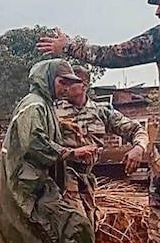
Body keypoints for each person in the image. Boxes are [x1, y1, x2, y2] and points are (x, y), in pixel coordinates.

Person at [37, 0, 160, 243]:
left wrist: (70, 47)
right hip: (65, 185)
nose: (157, 11)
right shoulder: (49, 111)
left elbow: (117, 55)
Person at [0, 59, 98, 243]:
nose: (66, 88)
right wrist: (71, 152)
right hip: (26, 187)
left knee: (13, 237)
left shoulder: (43, 105)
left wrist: (65, 128)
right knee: (73, 227)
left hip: (26, 185)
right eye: (62, 82)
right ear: (47, 79)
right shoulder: (35, 106)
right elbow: (34, 143)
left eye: (70, 83)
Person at [55, 66, 150, 227]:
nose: (65, 87)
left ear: (83, 85)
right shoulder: (53, 111)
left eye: (71, 83)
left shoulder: (101, 111)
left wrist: (139, 148)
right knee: (75, 223)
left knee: (90, 224)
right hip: (63, 175)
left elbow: (136, 129)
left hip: (88, 178)